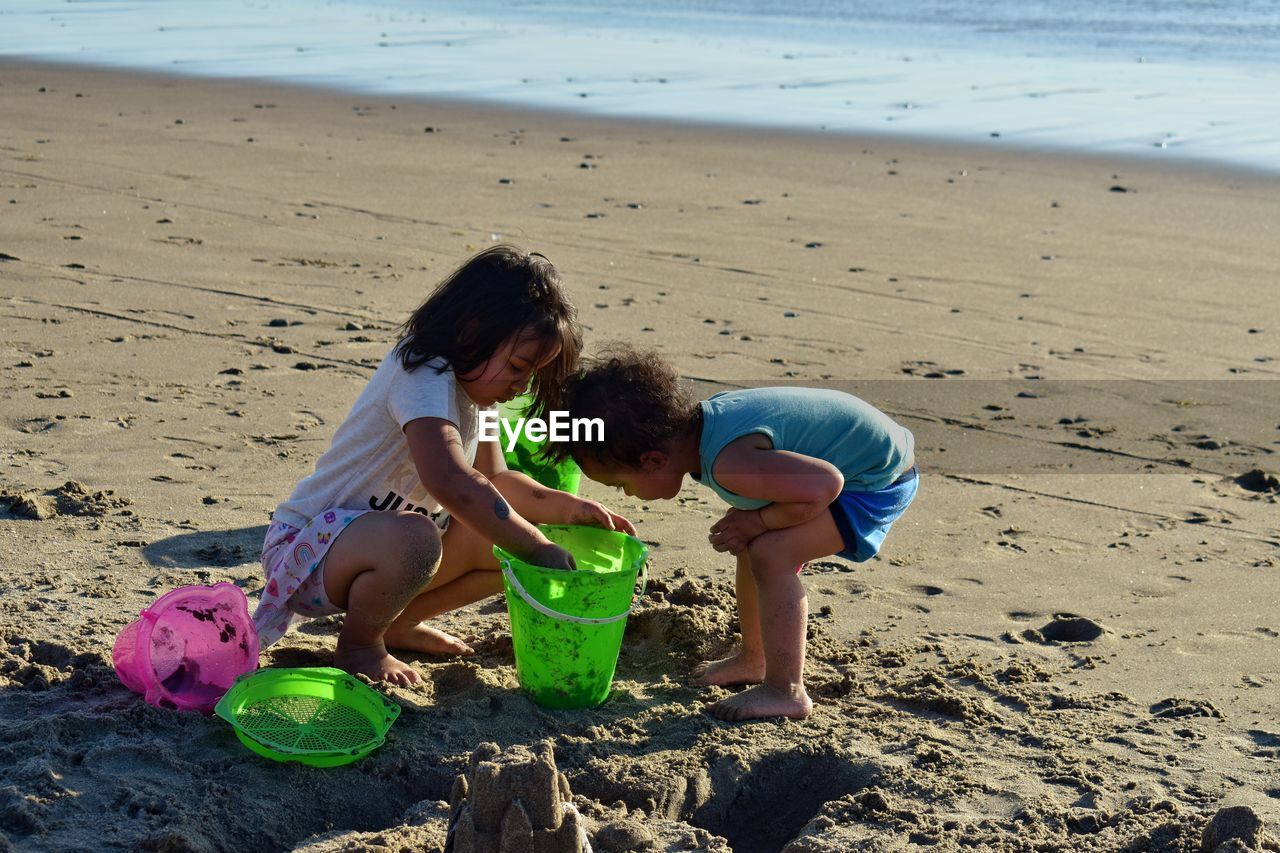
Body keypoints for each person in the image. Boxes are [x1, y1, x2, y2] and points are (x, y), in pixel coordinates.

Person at [253, 246, 634, 686]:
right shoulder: (422, 372)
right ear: (473, 332)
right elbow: (450, 479)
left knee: (503, 543)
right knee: (429, 538)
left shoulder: (480, 401)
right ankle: (360, 645)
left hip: (387, 557)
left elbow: (496, 482)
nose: (522, 385)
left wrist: (566, 509)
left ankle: (394, 623)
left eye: (532, 375)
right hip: (307, 554)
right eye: (517, 366)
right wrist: (534, 546)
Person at [551, 345, 917, 721]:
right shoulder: (707, 429)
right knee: (751, 543)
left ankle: (786, 690)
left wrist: (759, 522)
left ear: (654, 461)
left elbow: (825, 485)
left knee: (771, 553)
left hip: (876, 480)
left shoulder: (729, 463)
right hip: (855, 462)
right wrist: (753, 523)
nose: (627, 494)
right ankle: (755, 658)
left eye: (620, 484)